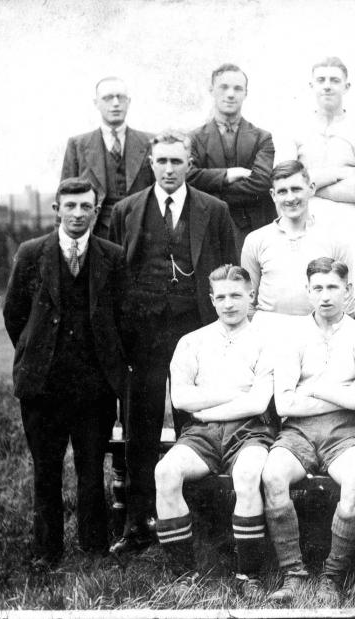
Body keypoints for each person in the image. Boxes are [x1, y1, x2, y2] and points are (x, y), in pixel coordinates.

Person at [108, 130, 238, 557]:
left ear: (188, 164)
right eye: (161, 161)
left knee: (195, 425)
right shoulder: (127, 211)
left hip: (194, 330)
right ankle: (138, 524)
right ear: (150, 162)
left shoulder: (213, 210)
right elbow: (116, 275)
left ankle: (199, 522)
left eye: (176, 162)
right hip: (144, 335)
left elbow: (227, 268)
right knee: (140, 428)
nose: (168, 169)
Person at [2, 177, 128, 570]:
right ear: (57, 209)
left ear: (96, 210)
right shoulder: (30, 253)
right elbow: (14, 315)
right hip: (43, 387)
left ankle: (93, 546)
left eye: (85, 207)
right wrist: (36, 355)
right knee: (46, 469)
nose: (77, 214)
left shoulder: (112, 256)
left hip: (95, 388)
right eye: (69, 206)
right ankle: (46, 550)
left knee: (91, 469)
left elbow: (122, 319)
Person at [261, 258, 355, 607]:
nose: (325, 296)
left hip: (346, 433)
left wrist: (316, 389)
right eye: (318, 288)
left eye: (333, 287)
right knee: (272, 475)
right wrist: (345, 393)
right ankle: (294, 574)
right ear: (308, 291)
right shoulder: (292, 335)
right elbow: (284, 404)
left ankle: (332, 576)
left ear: (348, 291)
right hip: (298, 432)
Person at [154, 265, 278, 595]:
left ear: (251, 296)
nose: (229, 304)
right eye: (221, 297)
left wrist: (205, 405)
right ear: (211, 300)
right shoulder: (192, 342)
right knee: (165, 471)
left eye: (236, 295)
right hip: (202, 433)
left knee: (250, 474)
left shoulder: (268, 343)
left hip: (251, 431)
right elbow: (180, 399)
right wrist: (237, 393)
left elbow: (257, 404)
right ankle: (184, 575)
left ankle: (247, 574)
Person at [284, 57, 355, 317]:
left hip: (351, 223)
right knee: (308, 294)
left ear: (346, 86)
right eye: (321, 80)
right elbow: (286, 181)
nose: (327, 86)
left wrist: (309, 185)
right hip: (307, 221)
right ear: (311, 84)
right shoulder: (294, 127)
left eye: (334, 80)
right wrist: (338, 172)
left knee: (351, 293)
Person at [240, 160, 353, 324]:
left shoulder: (335, 239)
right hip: (269, 333)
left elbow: (346, 303)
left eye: (296, 189)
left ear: (311, 189)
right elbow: (247, 301)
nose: (290, 198)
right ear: (273, 195)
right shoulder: (256, 240)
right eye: (282, 191)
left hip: (318, 333)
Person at [187, 63, 276, 250]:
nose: (230, 94)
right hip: (207, 227)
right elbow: (188, 178)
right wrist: (227, 174)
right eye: (224, 87)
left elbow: (261, 182)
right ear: (211, 90)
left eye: (237, 88)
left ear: (246, 93)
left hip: (253, 226)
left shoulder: (262, 138)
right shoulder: (193, 138)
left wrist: (210, 190)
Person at [61, 77, 154, 238]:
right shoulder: (78, 145)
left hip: (141, 234)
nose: (116, 103)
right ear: (96, 103)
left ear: (129, 102)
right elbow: (64, 196)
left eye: (121, 97)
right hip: (95, 234)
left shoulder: (150, 143)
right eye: (108, 98)